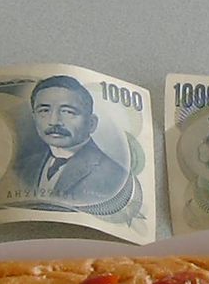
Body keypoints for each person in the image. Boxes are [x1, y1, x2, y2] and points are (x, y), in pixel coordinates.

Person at [12, 74, 128, 203]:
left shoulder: (113, 175)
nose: (54, 121)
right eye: (44, 111)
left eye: (68, 112)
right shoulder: (24, 167)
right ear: (34, 117)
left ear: (91, 123)